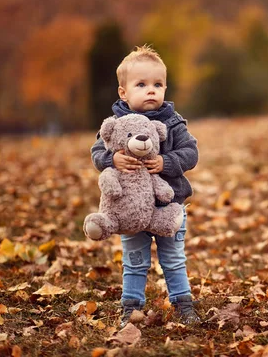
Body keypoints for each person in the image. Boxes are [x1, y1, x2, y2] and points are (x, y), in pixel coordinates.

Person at [90, 45, 200, 326]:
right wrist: (113, 159)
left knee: (173, 258)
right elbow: (96, 153)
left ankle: (183, 303)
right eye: (142, 84)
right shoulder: (114, 125)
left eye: (158, 84)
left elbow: (191, 153)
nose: (151, 90)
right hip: (130, 209)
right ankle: (131, 306)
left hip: (169, 205)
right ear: (123, 92)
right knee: (135, 261)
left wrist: (167, 162)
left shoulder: (173, 123)